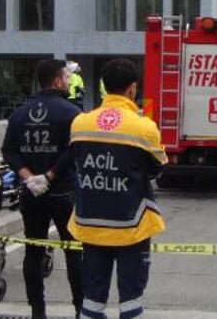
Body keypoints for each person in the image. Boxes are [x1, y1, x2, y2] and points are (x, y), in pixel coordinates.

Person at [68, 59, 167, 319]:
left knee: (92, 300)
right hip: (131, 227)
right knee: (131, 302)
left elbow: (76, 163)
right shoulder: (144, 128)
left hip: (90, 223)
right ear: (132, 89)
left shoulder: (80, 123)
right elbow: (157, 169)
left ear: (104, 86)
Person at [1, 59, 83, 319]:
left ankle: (38, 311)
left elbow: (8, 150)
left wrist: (28, 177)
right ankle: (80, 309)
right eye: (67, 77)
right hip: (63, 193)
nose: (69, 81)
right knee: (74, 252)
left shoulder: (19, 113)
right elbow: (74, 149)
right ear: (58, 81)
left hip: (31, 194)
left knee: (33, 252)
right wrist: (49, 175)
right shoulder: (72, 114)